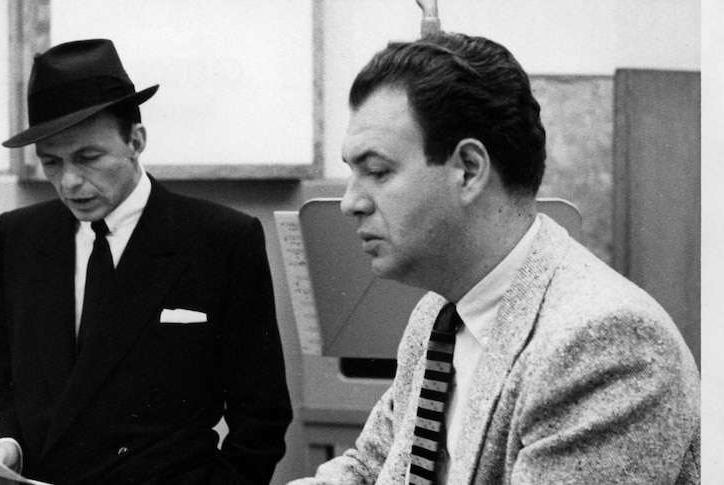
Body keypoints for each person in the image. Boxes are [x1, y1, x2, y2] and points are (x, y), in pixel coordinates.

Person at [290, 33, 700, 485]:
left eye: (378, 172)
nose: (350, 203)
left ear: (468, 170)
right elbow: (371, 468)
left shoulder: (605, 345)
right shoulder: (439, 314)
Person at [0, 39, 292, 485]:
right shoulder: (18, 237)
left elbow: (262, 413)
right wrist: (9, 445)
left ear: (135, 141)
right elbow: (6, 382)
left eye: (88, 158)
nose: (70, 181)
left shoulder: (221, 240)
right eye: (51, 163)